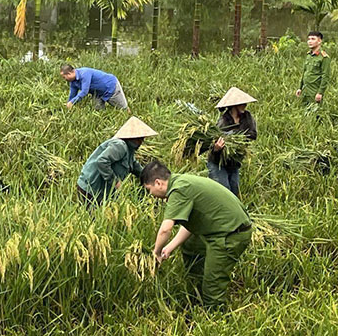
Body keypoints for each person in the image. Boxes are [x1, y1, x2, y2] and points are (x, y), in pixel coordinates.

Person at [142, 161, 253, 308]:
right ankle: (195, 297)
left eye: (149, 190)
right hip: (220, 229)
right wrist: (169, 247)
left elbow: (165, 229)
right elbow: (191, 224)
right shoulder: (182, 182)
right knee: (190, 246)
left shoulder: (179, 190)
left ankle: (214, 315)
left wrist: (155, 253)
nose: (151, 195)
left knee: (213, 284)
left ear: (158, 183)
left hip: (230, 234)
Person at [76, 116, 157, 207]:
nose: (142, 141)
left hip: (100, 192)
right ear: (134, 137)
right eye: (140, 138)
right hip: (90, 189)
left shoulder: (129, 151)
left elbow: (135, 167)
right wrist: (115, 182)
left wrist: (151, 179)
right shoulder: (120, 146)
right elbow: (102, 161)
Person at [208, 87, 258, 197]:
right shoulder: (223, 121)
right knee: (224, 193)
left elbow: (253, 134)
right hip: (218, 163)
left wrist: (237, 138)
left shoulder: (247, 117)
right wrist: (216, 148)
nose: (245, 105)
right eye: (242, 103)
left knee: (234, 192)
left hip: (234, 162)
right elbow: (213, 143)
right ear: (234, 105)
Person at [60, 64, 128, 111]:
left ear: (69, 73)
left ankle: (131, 119)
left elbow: (84, 91)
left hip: (111, 87)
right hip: (97, 93)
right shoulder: (72, 81)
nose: (64, 79)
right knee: (98, 110)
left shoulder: (84, 73)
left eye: (64, 77)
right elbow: (72, 94)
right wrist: (68, 103)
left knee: (123, 109)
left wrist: (72, 102)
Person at [295, 31, 331, 107]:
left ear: (319, 41)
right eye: (309, 39)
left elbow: (325, 76)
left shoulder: (324, 57)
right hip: (305, 91)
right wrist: (300, 88)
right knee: (303, 112)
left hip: (314, 91)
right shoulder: (309, 55)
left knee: (315, 113)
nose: (310, 41)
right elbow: (304, 73)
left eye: (313, 39)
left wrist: (320, 93)